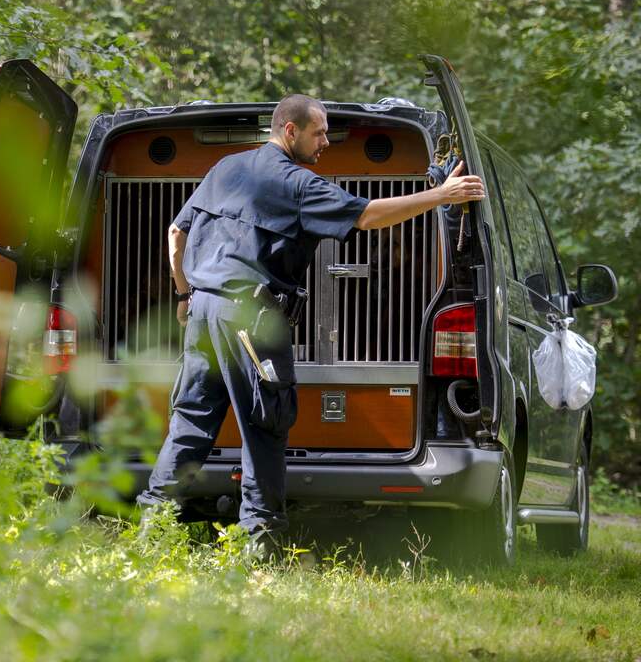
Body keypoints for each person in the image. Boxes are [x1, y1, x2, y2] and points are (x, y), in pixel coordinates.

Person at [135, 94, 485, 557]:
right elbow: (368, 216)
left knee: (191, 423)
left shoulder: (225, 169)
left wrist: (184, 294)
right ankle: (258, 544)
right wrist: (442, 195)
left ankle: (152, 531)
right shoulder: (297, 184)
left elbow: (176, 234)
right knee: (265, 423)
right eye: (319, 133)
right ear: (290, 131)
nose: (325, 142)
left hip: (203, 313)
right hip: (252, 320)